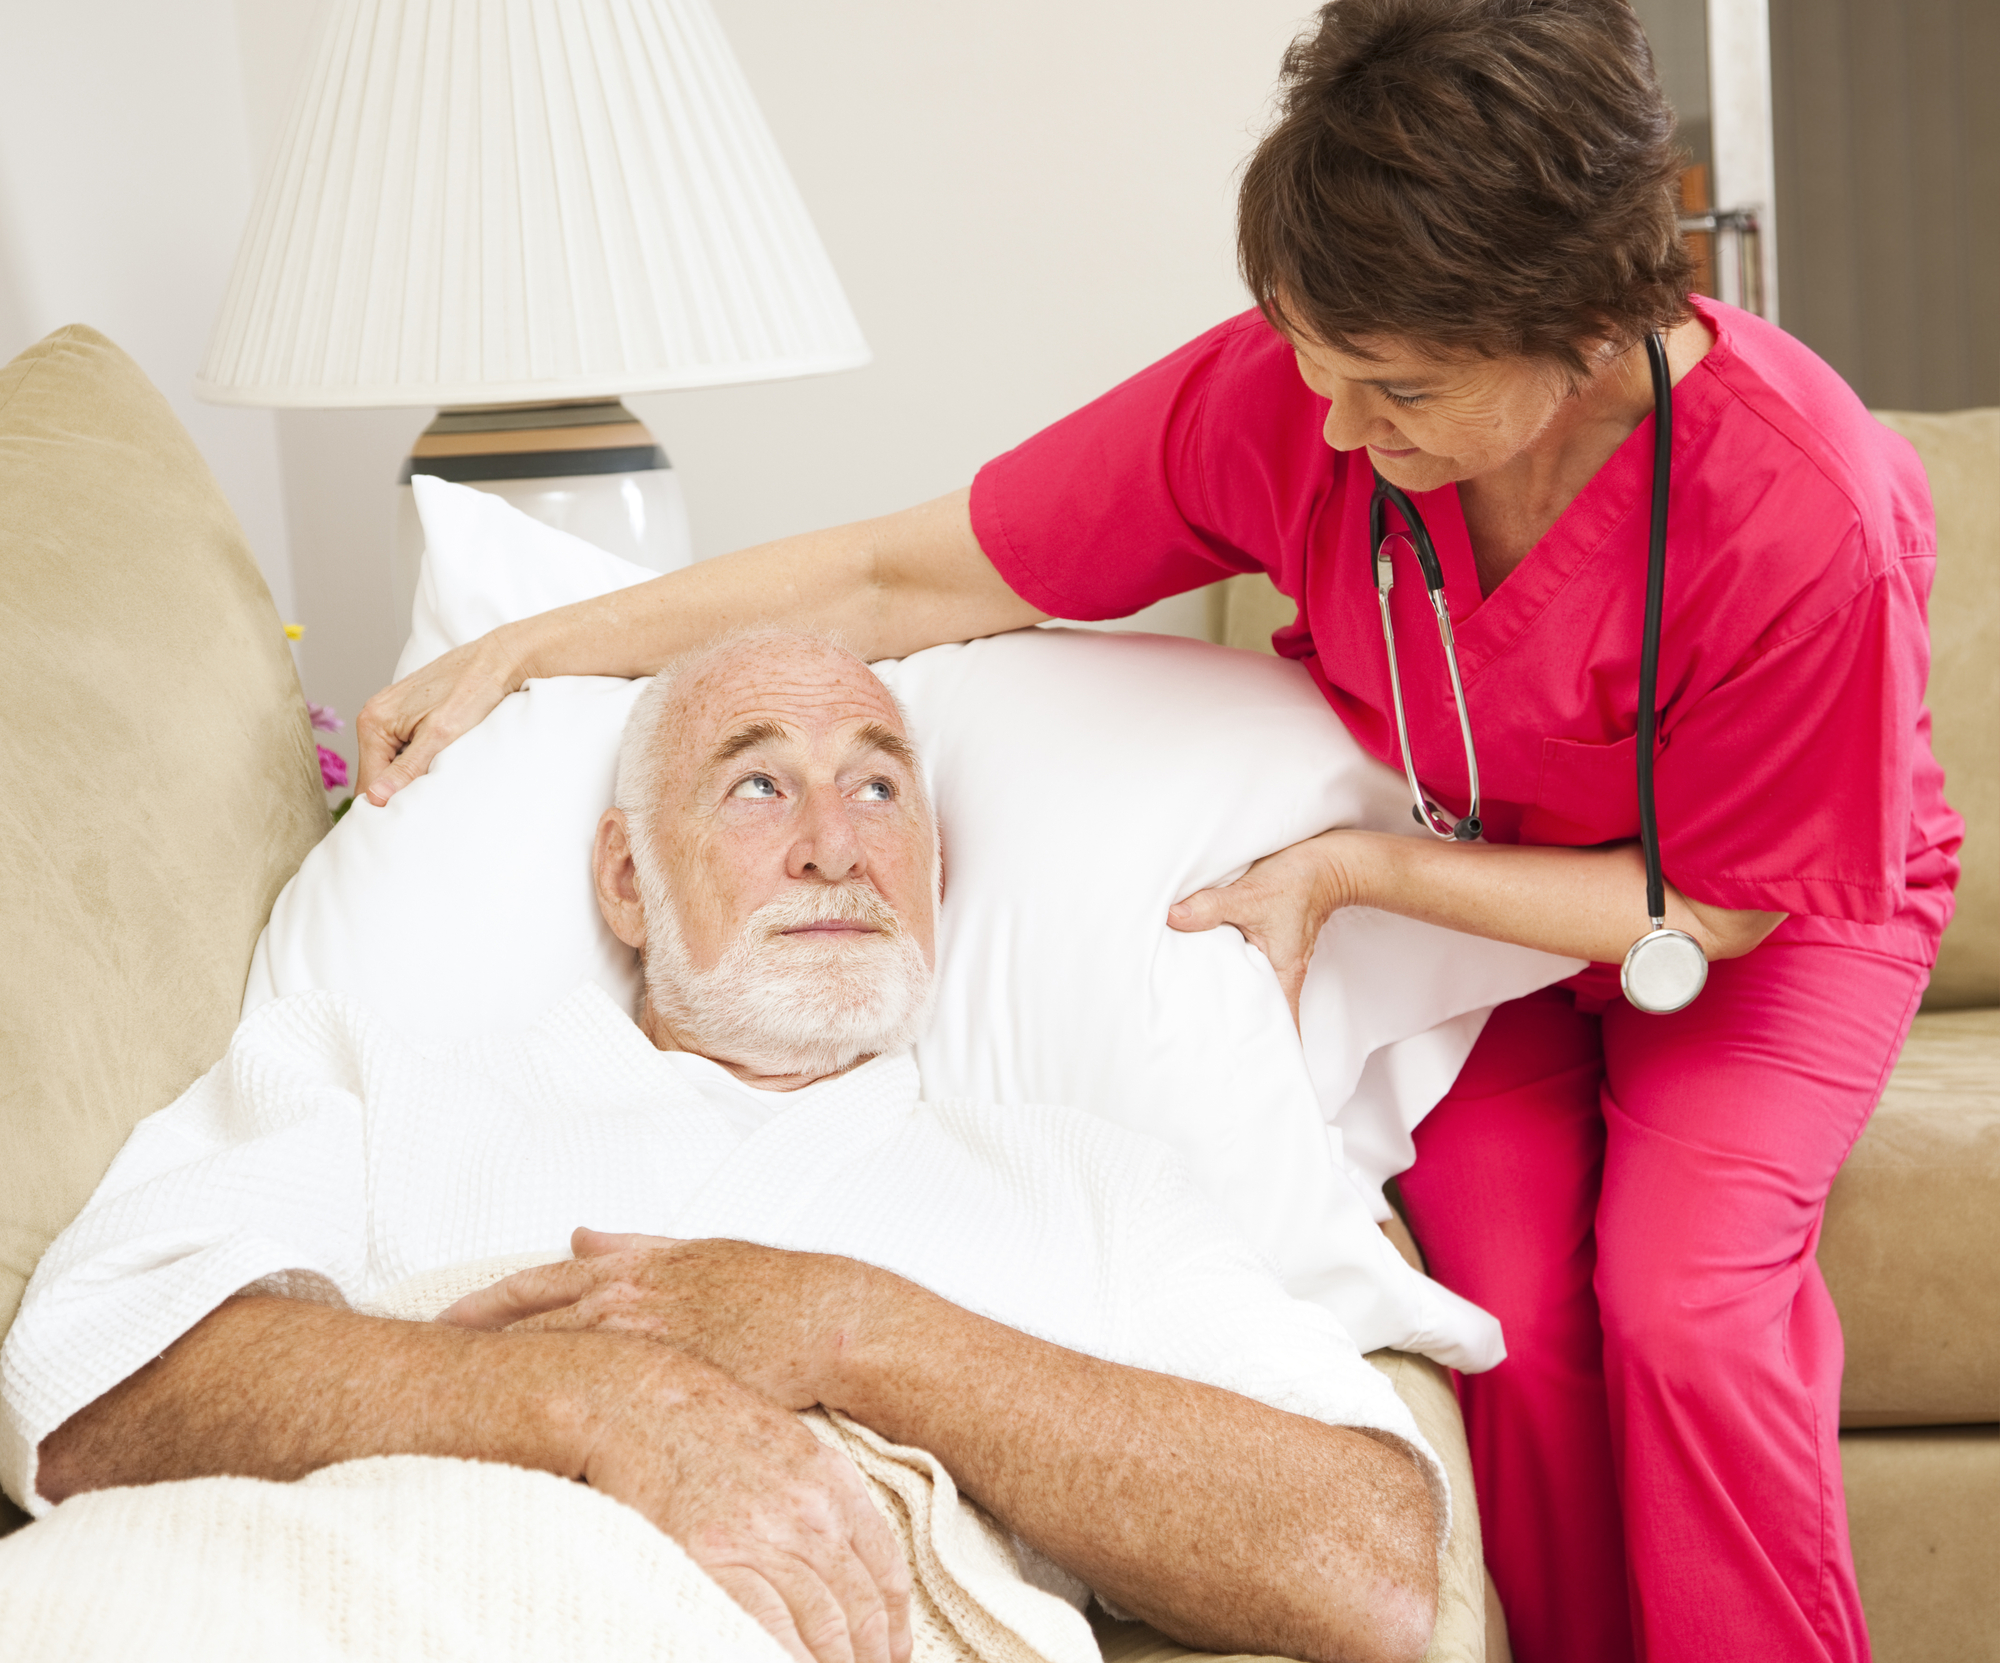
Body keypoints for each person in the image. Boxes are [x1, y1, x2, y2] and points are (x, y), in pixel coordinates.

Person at [351, 4, 1963, 1658]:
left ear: (1584, 332)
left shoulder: (1807, 506)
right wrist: (538, 638)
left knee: (1685, 1308)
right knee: (1508, 1317)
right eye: (1320, 370)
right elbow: (908, 572)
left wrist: (1361, 870)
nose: (1336, 430)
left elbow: (1720, 905)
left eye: (1395, 391)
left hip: (1748, 920)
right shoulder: (1302, 388)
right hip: (1474, 941)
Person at [9, 631, 1445, 1663]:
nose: (835, 845)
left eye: (880, 789)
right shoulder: (379, 1081)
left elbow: (1372, 1566)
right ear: (628, 878)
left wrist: (845, 1330)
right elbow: (93, 1382)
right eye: (759, 787)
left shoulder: (1084, 1183)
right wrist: (604, 1406)